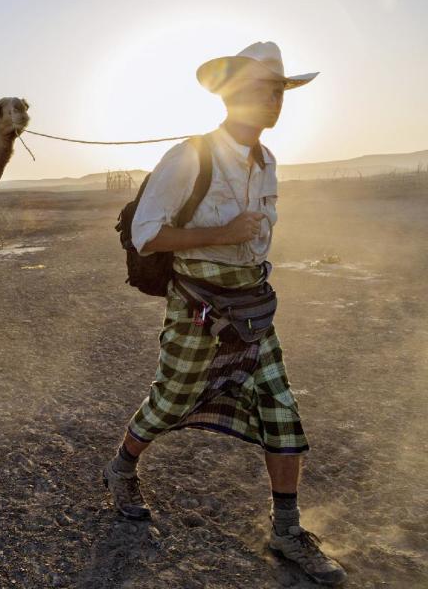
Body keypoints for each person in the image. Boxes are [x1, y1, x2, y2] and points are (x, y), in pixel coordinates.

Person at [103, 42, 347, 586]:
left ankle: (286, 532)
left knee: (281, 408)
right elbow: (146, 237)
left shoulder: (267, 161)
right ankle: (121, 468)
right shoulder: (191, 156)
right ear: (232, 94)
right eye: (265, 88)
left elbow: (254, 236)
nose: (275, 100)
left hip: (252, 306)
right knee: (171, 401)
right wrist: (222, 234)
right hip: (198, 305)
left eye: (281, 90)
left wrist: (249, 252)